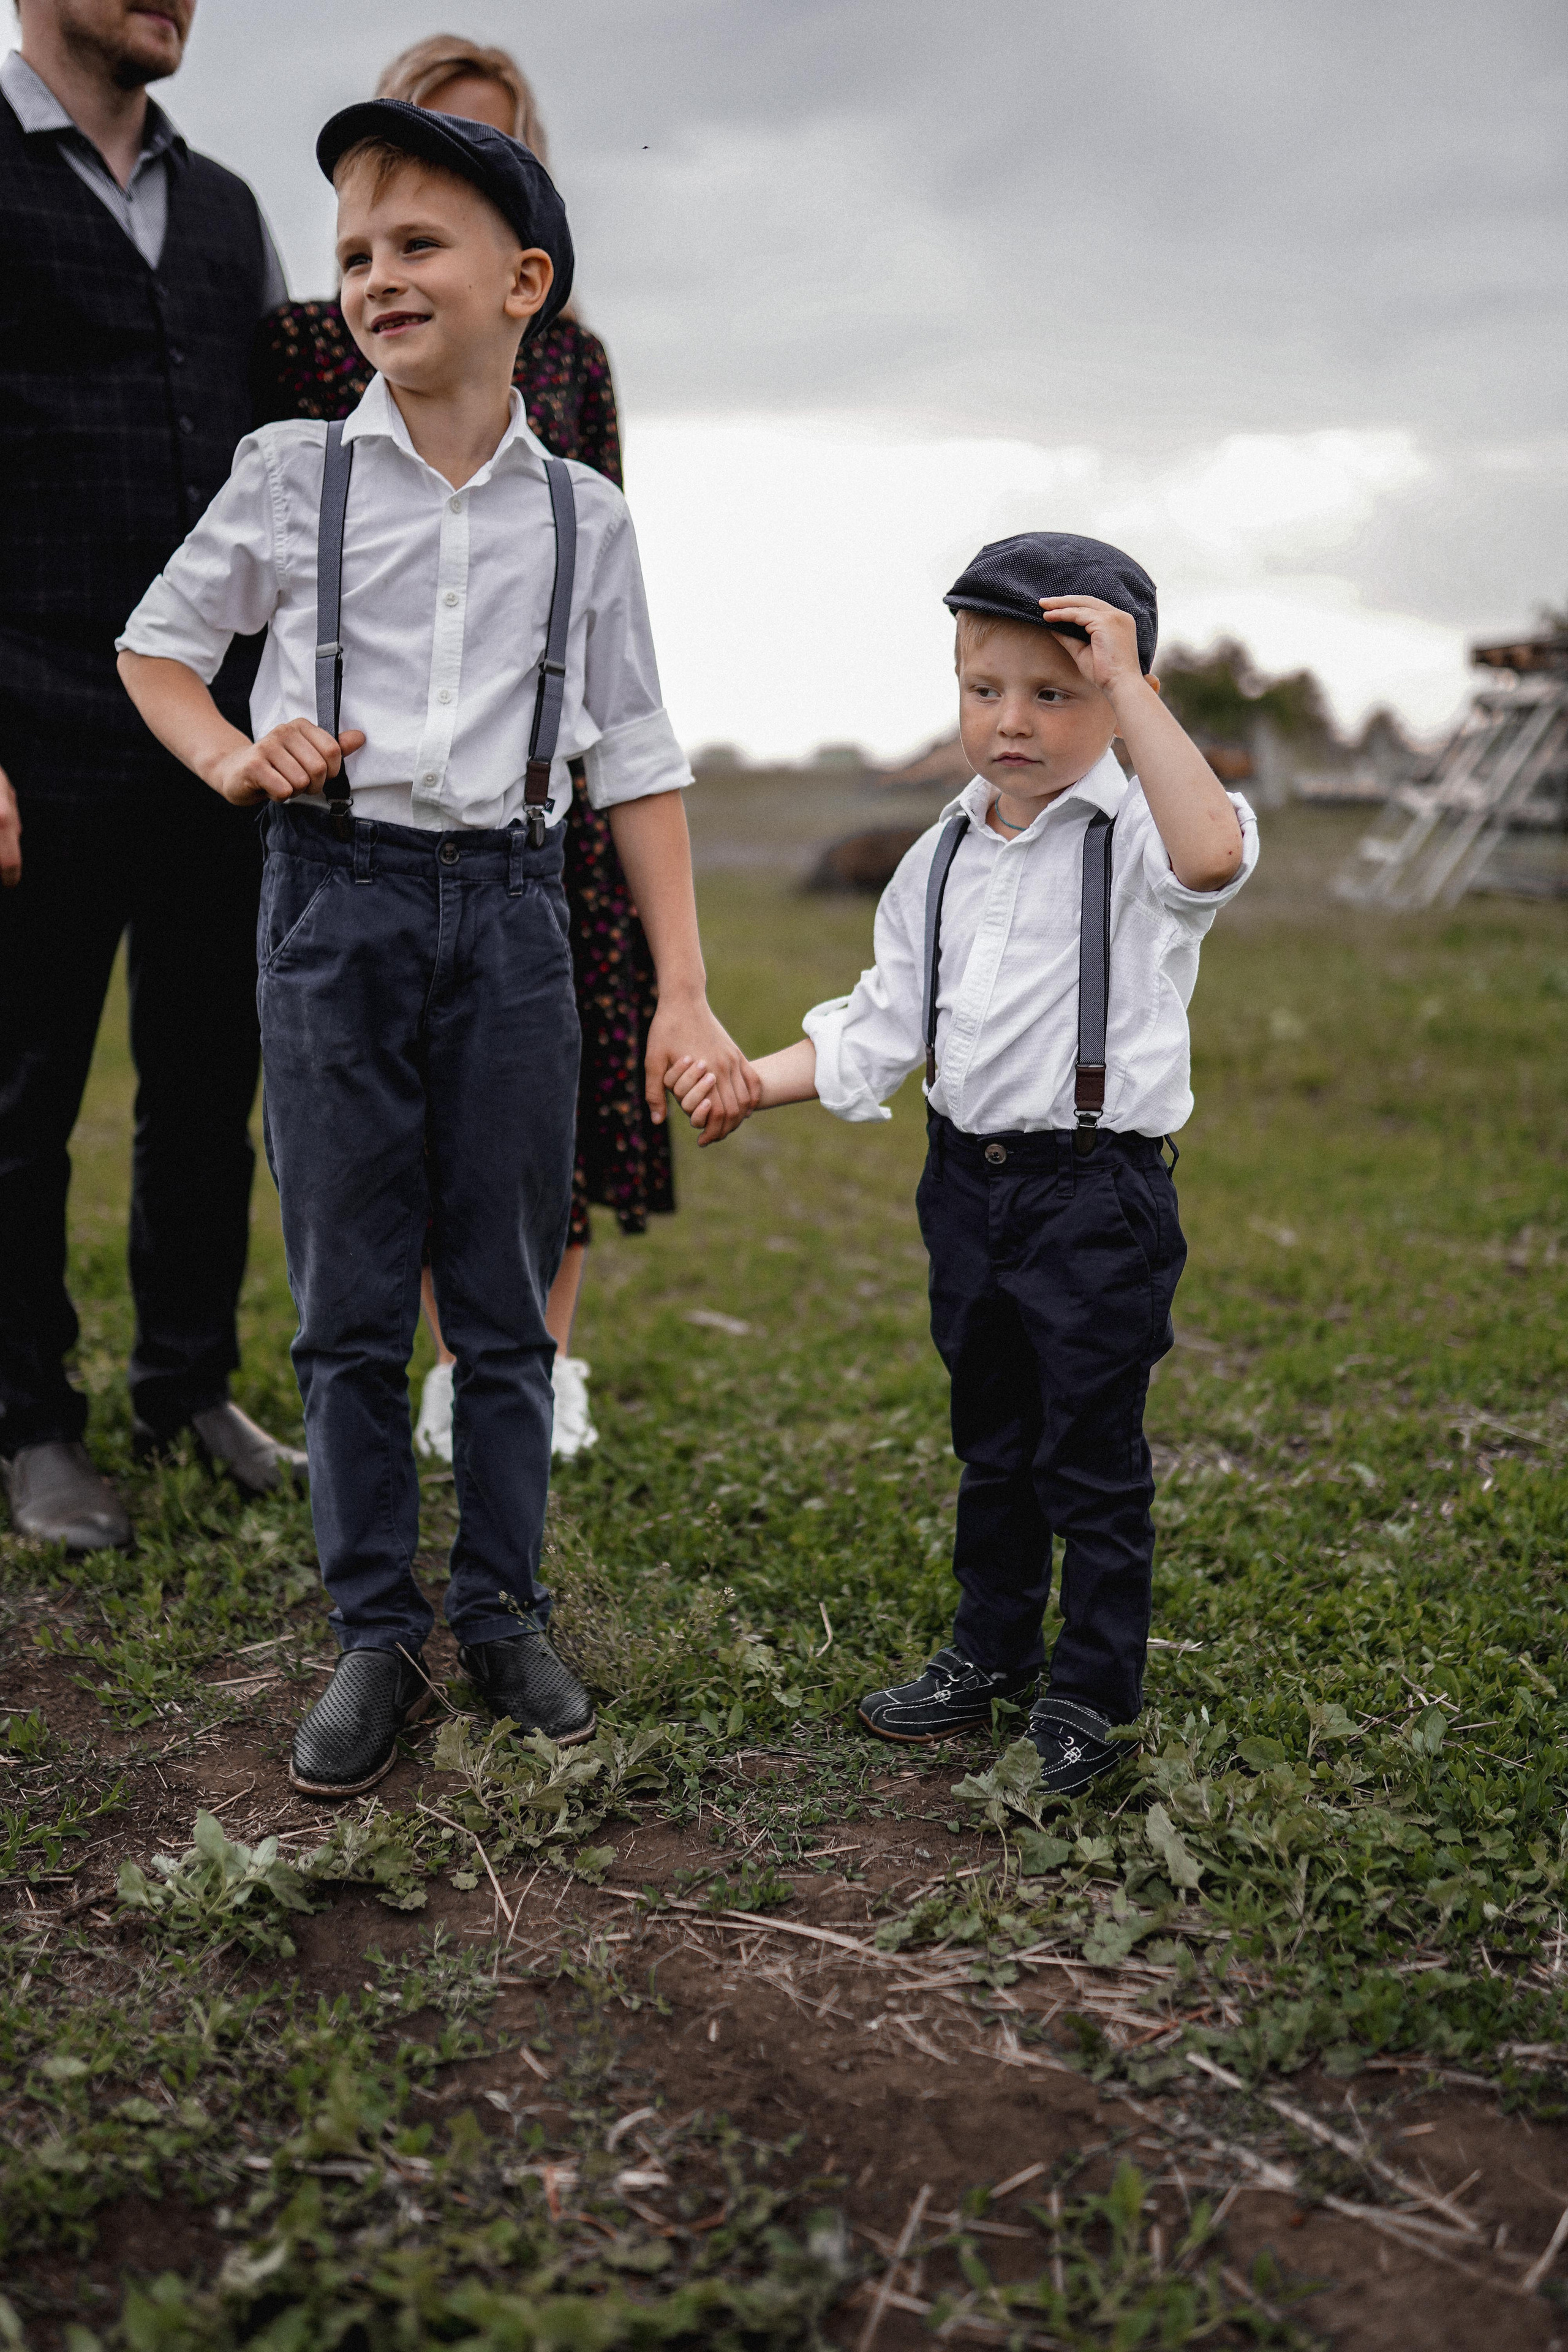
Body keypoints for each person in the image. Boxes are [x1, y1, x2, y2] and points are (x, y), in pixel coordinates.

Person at [118, 99, 756, 1796]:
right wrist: (233, 757)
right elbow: (157, 651)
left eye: (415, 246)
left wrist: (684, 989)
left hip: (516, 919)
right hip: (333, 904)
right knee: (345, 1303)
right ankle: (374, 1632)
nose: (374, 280)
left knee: (503, 1302)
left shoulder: (584, 520)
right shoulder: (291, 473)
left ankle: (502, 1611)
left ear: (523, 282)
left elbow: (637, 758)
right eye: (354, 256)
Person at [673, 533, 1258, 1797]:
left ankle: (1090, 1694)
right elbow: (884, 1020)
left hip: (1094, 1193)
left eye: (1054, 693)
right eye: (984, 690)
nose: (1012, 722)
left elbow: (1214, 855)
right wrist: (754, 1081)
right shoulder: (938, 852)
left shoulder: (1141, 836)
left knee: (1086, 1455)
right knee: (993, 1441)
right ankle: (990, 1652)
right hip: (966, 1187)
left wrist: (1130, 684)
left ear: (1123, 700)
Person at [252, 35, 665, 1466]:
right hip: (365, 798)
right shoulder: (314, 349)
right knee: (388, 1097)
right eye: (426, 136)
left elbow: (599, 561)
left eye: (491, 144)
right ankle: (434, 1360)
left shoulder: (576, 360)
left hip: (532, 788)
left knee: (540, 1093)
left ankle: (534, 1359)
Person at [0, 0, 307, 1557]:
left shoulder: (233, 210)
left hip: (217, 737)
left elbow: (282, 467)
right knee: (19, 1097)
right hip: (30, 717)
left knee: (205, 1086)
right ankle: (28, 1425)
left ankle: (186, 1387)